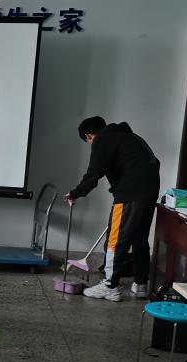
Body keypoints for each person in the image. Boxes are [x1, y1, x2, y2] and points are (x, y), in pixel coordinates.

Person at [65, 116, 160, 302]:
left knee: (115, 241)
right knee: (139, 238)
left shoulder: (103, 139)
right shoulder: (131, 137)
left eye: (88, 141)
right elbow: (155, 162)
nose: (91, 144)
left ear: (89, 135)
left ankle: (110, 286)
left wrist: (76, 193)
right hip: (149, 193)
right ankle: (141, 284)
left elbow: (94, 172)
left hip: (129, 194)